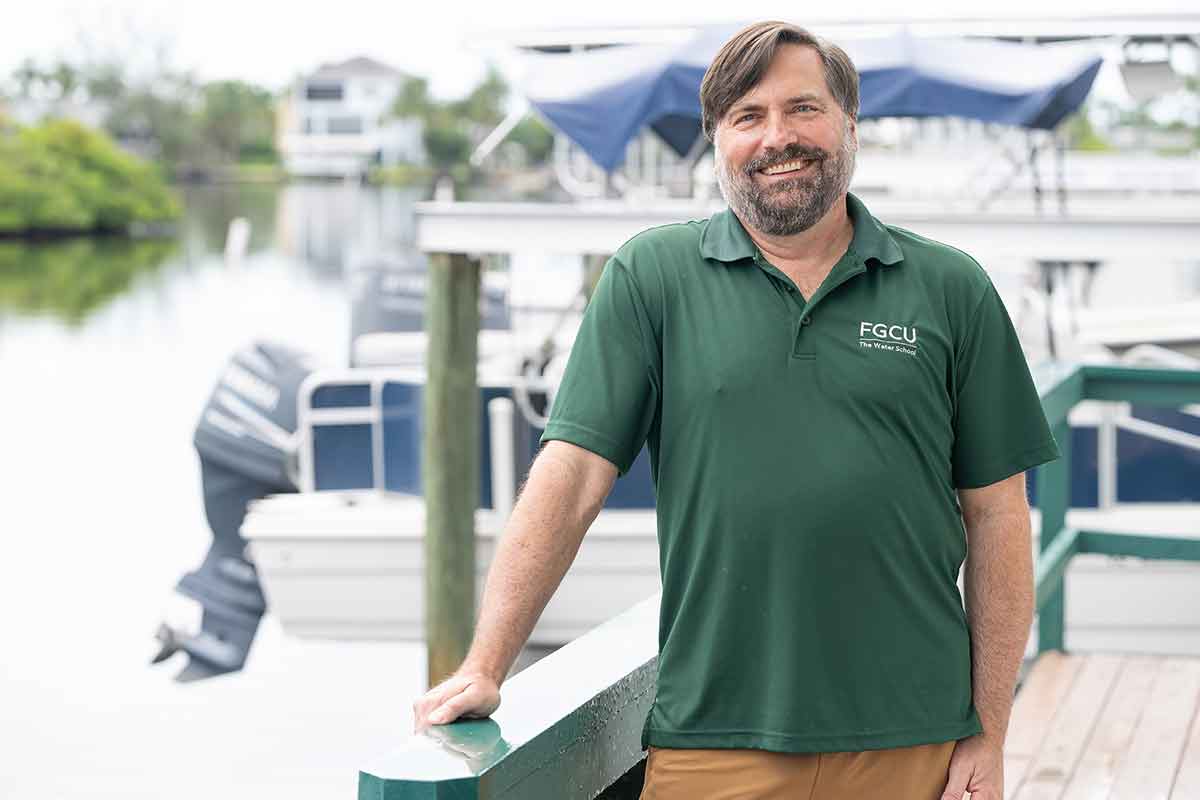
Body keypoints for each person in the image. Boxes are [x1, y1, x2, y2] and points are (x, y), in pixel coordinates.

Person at [413, 20, 1059, 800]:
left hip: (912, 741)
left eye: (803, 109)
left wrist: (989, 733)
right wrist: (487, 663)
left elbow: (998, 518)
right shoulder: (652, 277)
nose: (777, 136)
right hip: (714, 742)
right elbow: (573, 476)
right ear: (718, 139)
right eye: (747, 117)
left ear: (849, 124)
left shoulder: (953, 289)